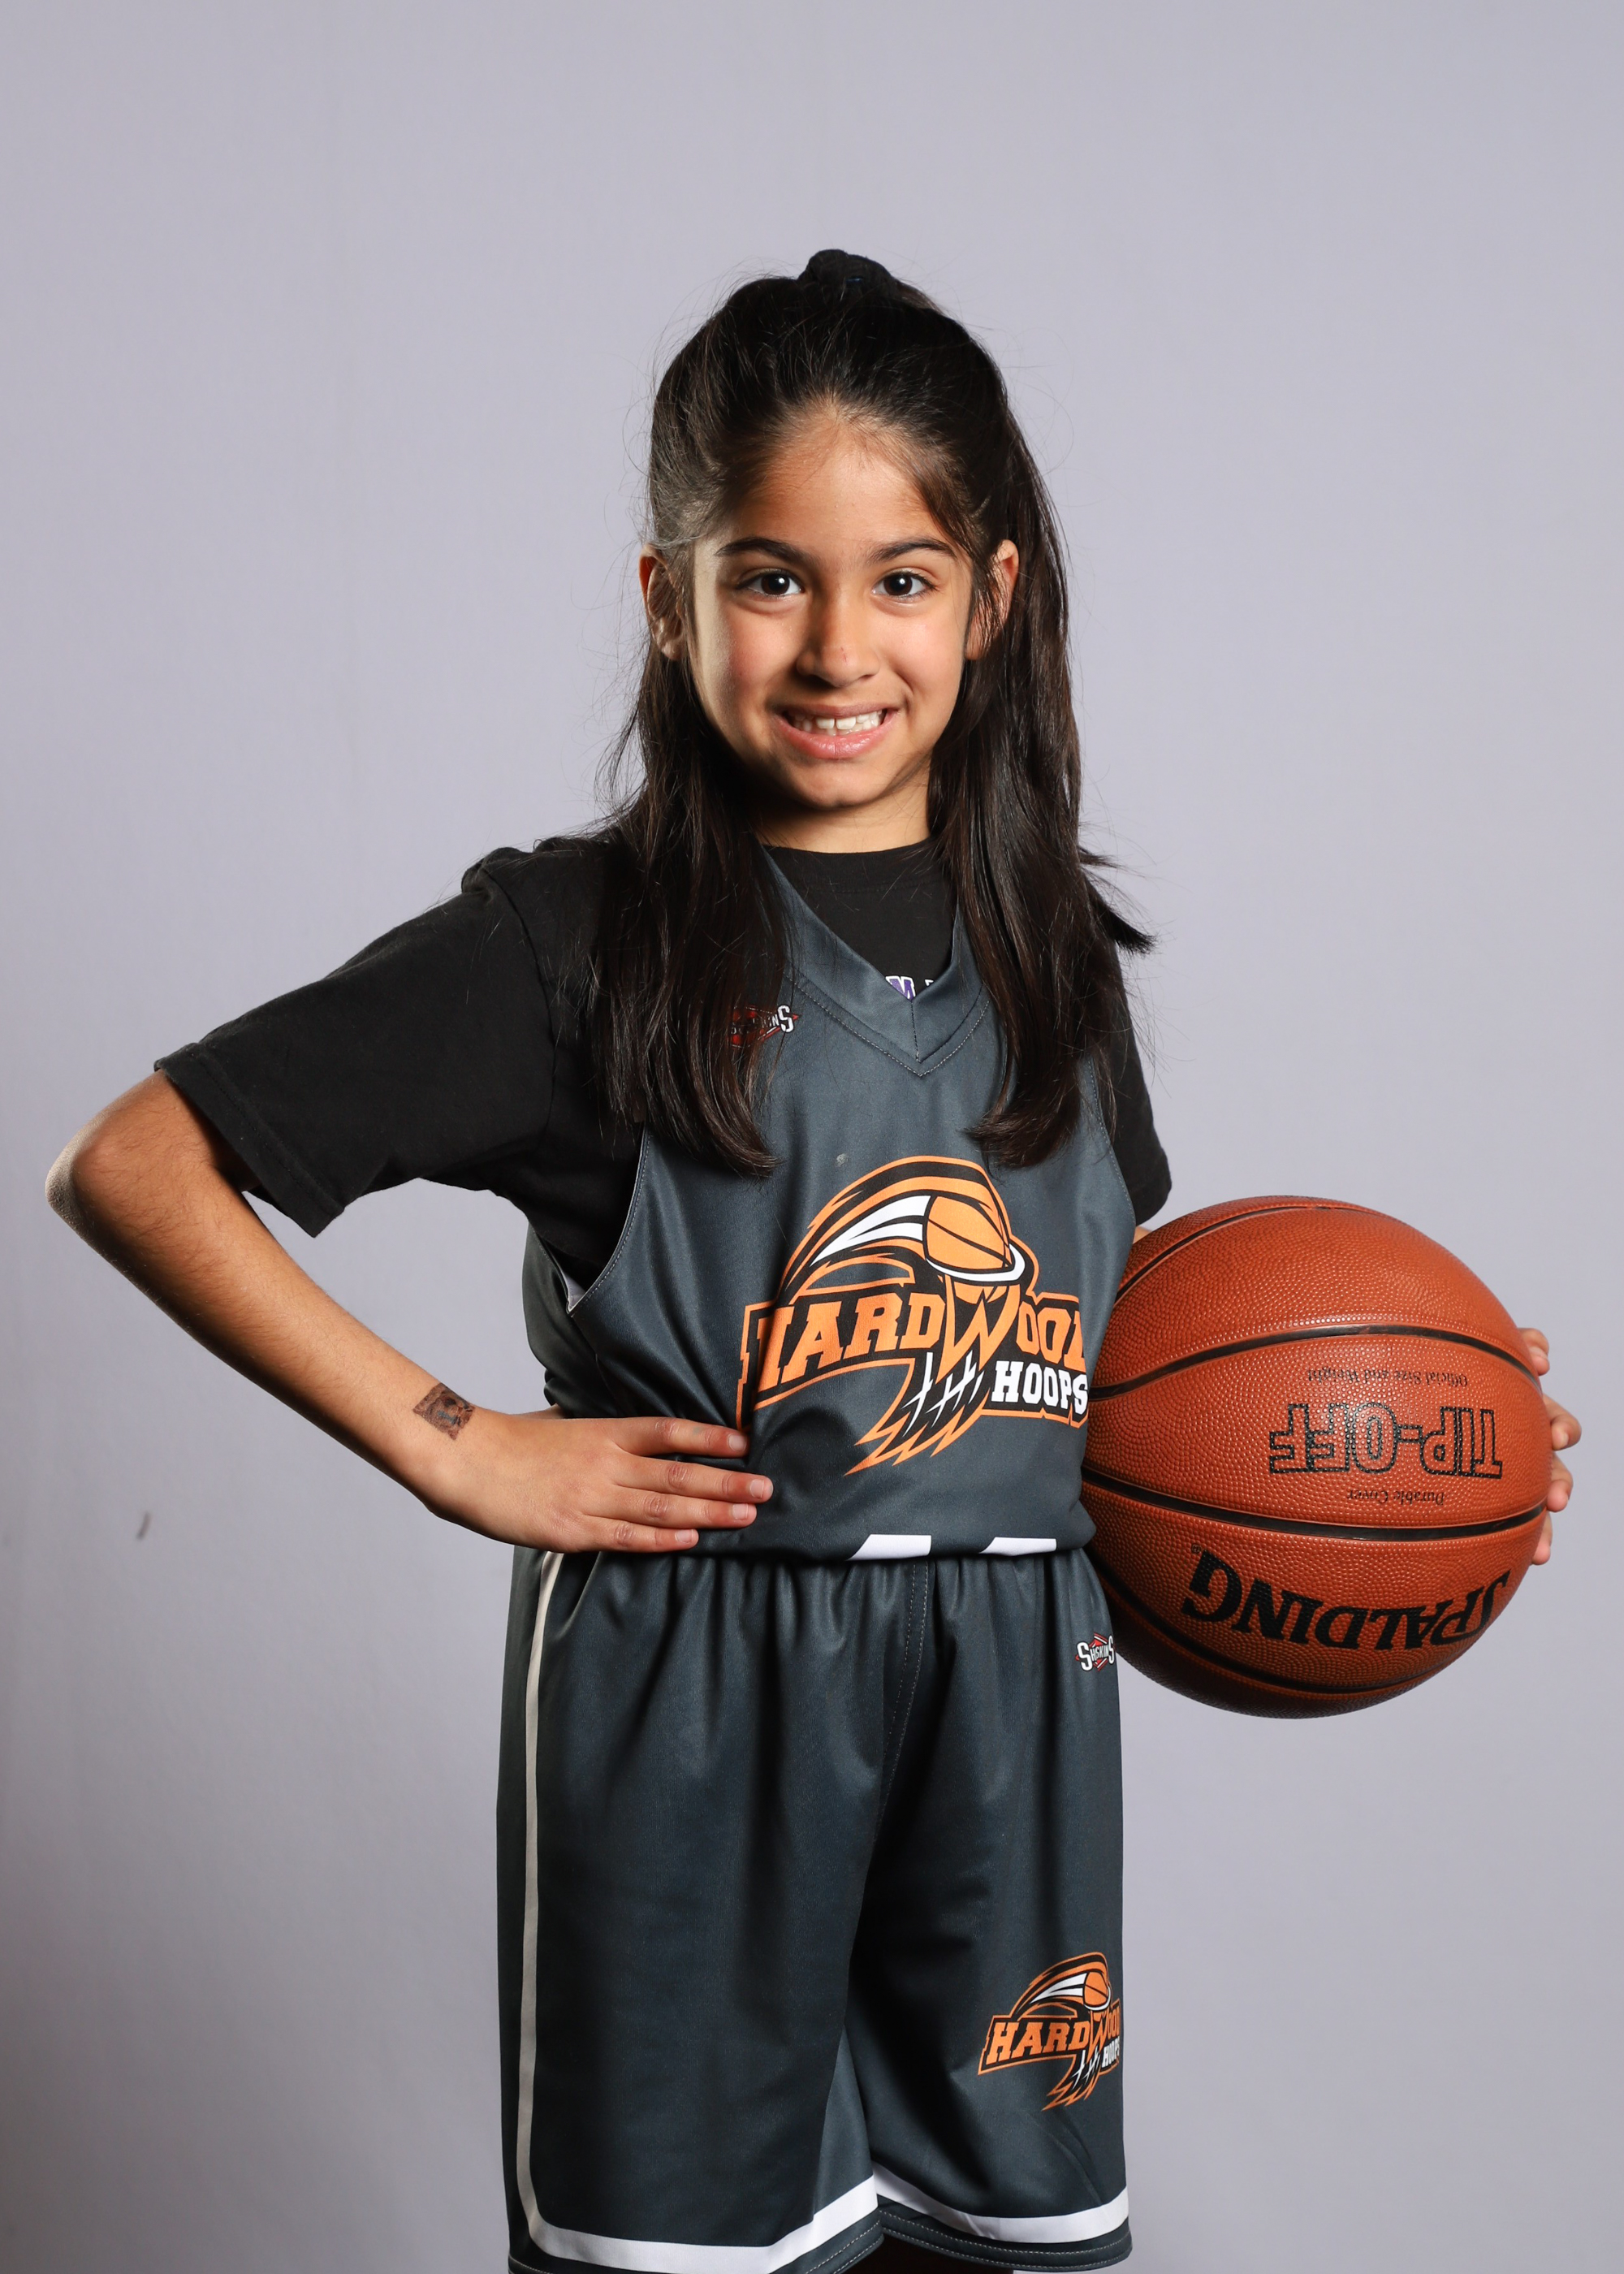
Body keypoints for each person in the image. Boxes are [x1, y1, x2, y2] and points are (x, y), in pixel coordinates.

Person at [46, 253, 1579, 2274]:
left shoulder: (1054, 959)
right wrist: (453, 1441)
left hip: (1011, 1712)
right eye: (770, 576)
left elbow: (1119, 1363)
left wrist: (1410, 1424)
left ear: (992, 598)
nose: (838, 644)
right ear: (666, 598)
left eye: (901, 578)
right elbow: (137, 1160)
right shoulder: (577, 946)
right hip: (703, 1705)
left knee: (990, 2253)